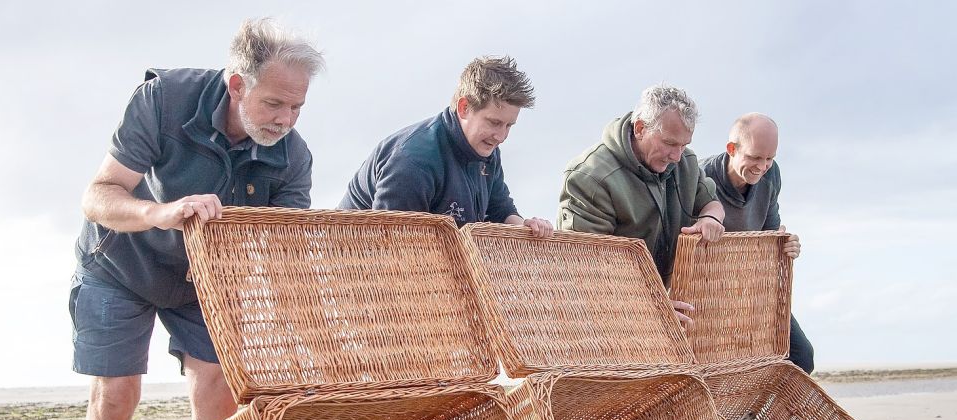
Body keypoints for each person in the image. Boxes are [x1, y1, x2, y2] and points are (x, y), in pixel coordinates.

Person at [70, 18, 325, 420]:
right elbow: (99, 194)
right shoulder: (163, 100)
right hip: (120, 264)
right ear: (237, 84)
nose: (285, 119)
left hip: (203, 282)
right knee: (116, 397)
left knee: (217, 389)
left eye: (296, 107)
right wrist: (164, 212)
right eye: (274, 103)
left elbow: (281, 251)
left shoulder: (294, 157)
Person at [558, 84, 725, 326]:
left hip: (657, 307)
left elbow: (711, 203)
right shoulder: (589, 178)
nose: (677, 156)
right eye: (669, 143)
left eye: (684, 145)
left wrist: (711, 219)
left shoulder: (685, 162)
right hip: (597, 317)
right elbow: (586, 269)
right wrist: (651, 305)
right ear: (640, 128)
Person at [338, 56, 553, 238]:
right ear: (464, 107)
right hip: (358, 265)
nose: (502, 136)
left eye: (509, 126)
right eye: (494, 122)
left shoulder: (488, 150)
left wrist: (525, 227)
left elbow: (500, 210)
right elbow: (390, 241)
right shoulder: (413, 161)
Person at [700, 113, 814, 373]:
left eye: (769, 158)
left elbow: (770, 233)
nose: (762, 167)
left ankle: (757, 414)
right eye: (754, 157)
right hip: (708, 289)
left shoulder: (771, 176)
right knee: (720, 366)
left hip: (752, 286)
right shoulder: (700, 175)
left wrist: (786, 245)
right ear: (732, 149)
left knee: (801, 357)